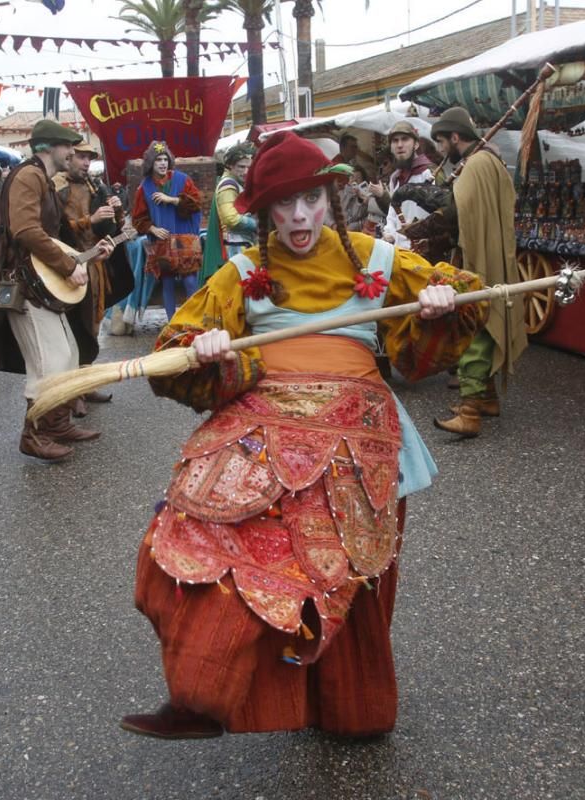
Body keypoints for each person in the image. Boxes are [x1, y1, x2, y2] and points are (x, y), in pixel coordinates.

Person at [119, 131, 489, 739]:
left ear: (331, 199)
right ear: (263, 213)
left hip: (356, 433)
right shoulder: (242, 273)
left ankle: (352, 704)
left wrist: (441, 304)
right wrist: (205, 349)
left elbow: (421, 356)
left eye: (311, 200)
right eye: (283, 205)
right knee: (205, 531)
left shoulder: (377, 258)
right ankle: (203, 692)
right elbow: (177, 349)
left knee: (353, 569)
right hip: (264, 428)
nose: (299, 217)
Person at [0, 119, 109, 461]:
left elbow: (52, 233)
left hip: (38, 284)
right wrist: (69, 265)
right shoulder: (28, 176)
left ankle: (57, 424)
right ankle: (34, 433)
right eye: (67, 146)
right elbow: (25, 230)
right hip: (25, 286)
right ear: (47, 147)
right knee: (48, 361)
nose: (73, 152)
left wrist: (85, 253)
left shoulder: (40, 178)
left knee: (68, 353)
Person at [428, 106, 527, 438]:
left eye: (442, 142)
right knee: (478, 320)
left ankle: (470, 412)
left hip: (482, 259)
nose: (441, 150)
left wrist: (428, 214)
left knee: (477, 325)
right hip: (488, 254)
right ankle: (486, 397)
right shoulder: (484, 162)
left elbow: (458, 213)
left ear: (456, 137)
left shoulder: (478, 164)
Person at [54, 140, 122, 407]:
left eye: (88, 159)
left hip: (96, 265)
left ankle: (85, 384)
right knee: (72, 329)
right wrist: (89, 220)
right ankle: (71, 393)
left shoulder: (95, 185)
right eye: (81, 157)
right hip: (69, 267)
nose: (85, 163)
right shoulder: (58, 189)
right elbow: (53, 230)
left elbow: (113, 227)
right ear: (69, 157)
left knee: (92, 326)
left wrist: (116, 210)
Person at [131, 141, 203, 322]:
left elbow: (196, 203)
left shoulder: (183, 179)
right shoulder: (144, 187)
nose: (162, 163)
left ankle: (195, 320)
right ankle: (173, 323)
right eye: (158, 160)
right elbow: (138, 219)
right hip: (163, 242)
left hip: (185, 239)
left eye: (165, 159)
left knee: (190, 281)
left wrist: (172, 200)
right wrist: (152, 228)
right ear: (151, 164)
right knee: (168, 283)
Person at [200, 142, 257, 284]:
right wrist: (257, 224)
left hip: (241, 244)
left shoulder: (235, 182)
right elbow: (231, 219)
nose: (246, 171)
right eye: (241, 167)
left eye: (249, 167)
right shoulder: (229, 185)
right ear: (230, 166)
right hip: (236, 246)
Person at [378, 120, 436, 248]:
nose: (399, 145)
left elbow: (440, 217)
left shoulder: (429, 174)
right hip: (400, 252)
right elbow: (392, 215)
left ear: (415, 144)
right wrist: (389, 234)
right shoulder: (395, 178)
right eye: (395, 141)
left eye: (405, 139)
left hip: (426, 251)